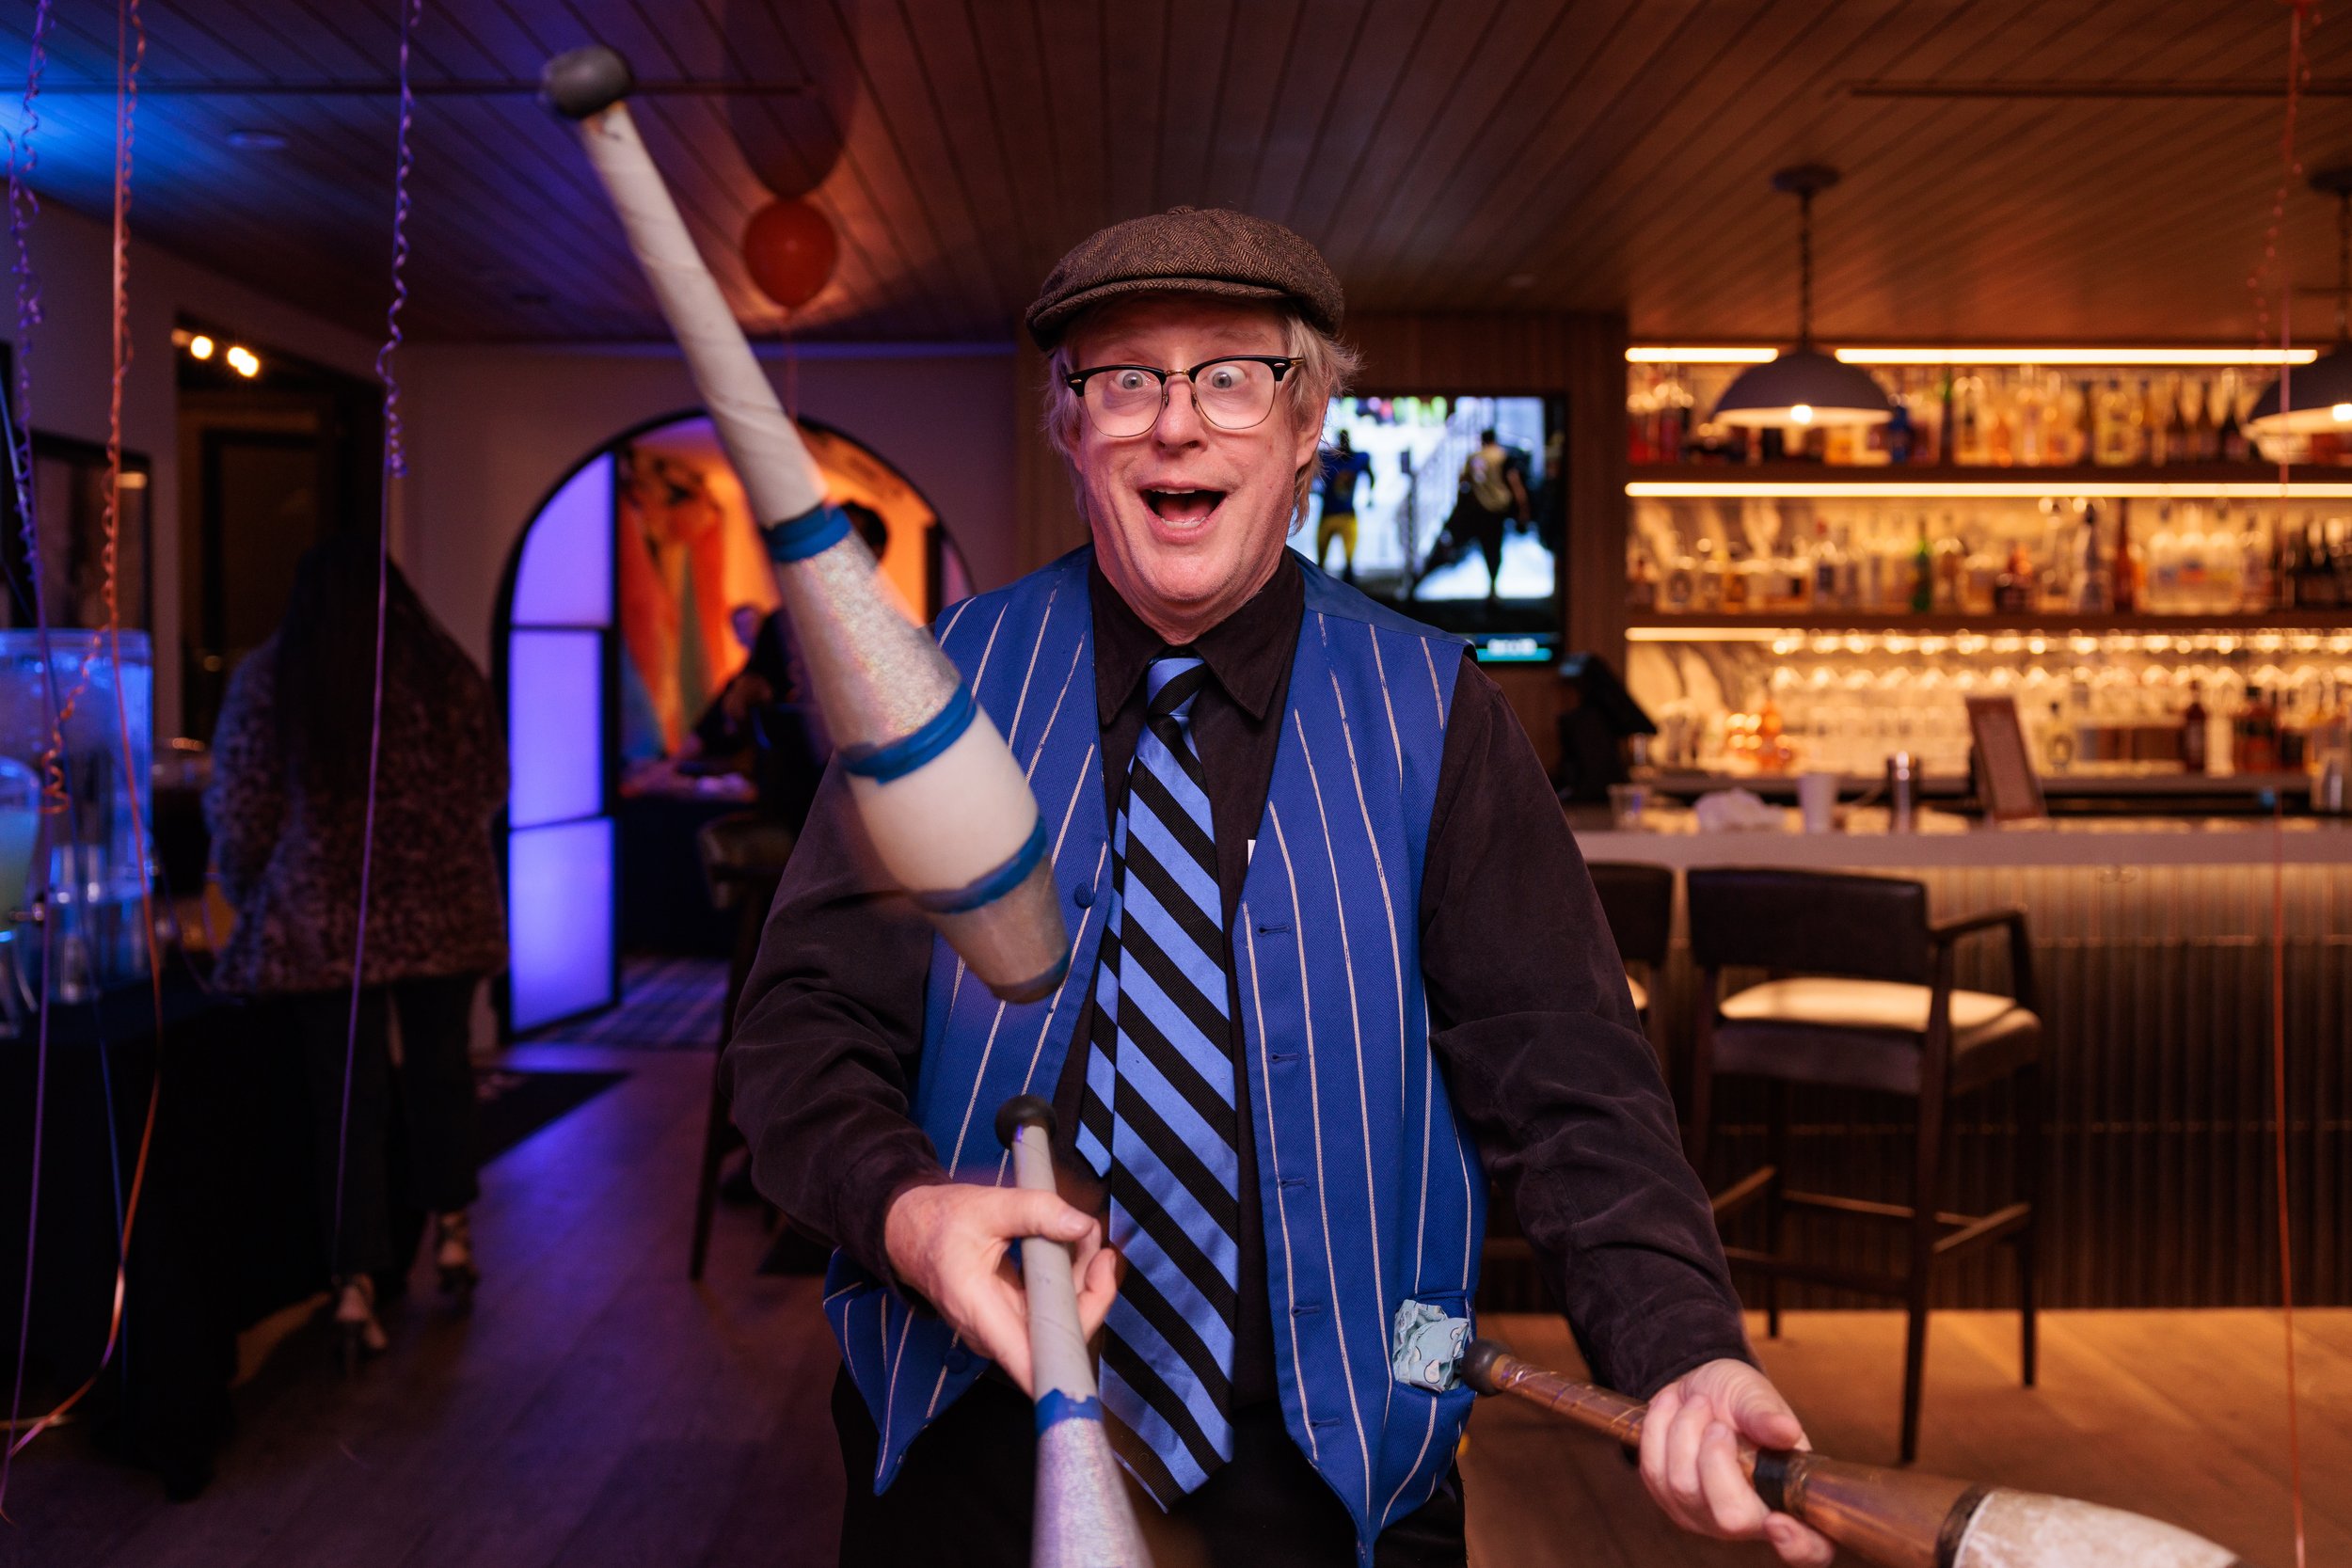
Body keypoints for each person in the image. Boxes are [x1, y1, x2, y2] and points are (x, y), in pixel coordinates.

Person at [723, 207, 1832, 1568]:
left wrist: (1682, 1341)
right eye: (1123, 379)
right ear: (1071, 430)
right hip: (968, 1445)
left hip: (1334, 1476)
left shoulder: (1434, 706)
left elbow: (1567, 1072)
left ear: (1308, 427)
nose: (1174, 424)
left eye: (1231, 375)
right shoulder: (942, 688)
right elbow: (797, 1028)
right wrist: (905, 1205)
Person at [205, 535, 507, 1366]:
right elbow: (491, 784)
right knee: (442, 1072)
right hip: (442, 910)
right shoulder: (446, 673)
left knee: (348, 1098)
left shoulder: (278, 675)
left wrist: (249, 882)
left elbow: (242, 803)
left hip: (325, 919)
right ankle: (451, 1232)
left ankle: (354, 1284)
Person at [1458, 427, 1529, 600]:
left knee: (1486, 545)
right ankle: (1493, 582)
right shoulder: (1503, 456)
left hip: (1480, 508)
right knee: (1496, 546)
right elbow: (1515, 482)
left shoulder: (1475, 457)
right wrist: (1523, 506)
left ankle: (1491, 582)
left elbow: (1462, 479)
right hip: (1499, 509)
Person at [1313, 428, 1374, 582]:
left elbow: (1370, 474)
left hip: (1346, 514)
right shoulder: (1328, 458)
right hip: (1329, 513)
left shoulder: (1357, 459)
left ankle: (1348, 588)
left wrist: (1370, 495)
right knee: (1321, 559)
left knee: (1349, 561)